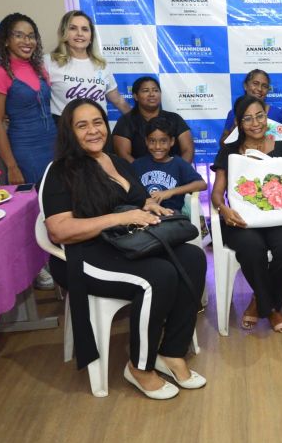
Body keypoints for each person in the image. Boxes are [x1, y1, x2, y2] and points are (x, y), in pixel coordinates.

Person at [42, 98, 207, 399]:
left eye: (97, 122)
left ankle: (171, 352)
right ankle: (139, 367)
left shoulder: (115, 161)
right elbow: (58, 230)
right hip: (84, 255)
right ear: (69, 132)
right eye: (82, 125)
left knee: (193, 257)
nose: (93, 130)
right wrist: (121, 218)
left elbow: (137, 199)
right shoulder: (61, 171)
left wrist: (151, 207)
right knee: (158, 276)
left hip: (125, 242)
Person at [210, 95, 282, 334]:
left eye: (260, 116)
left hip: (279, 218)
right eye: (248, 119)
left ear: (267, 117)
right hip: (242, 221)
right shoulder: (229, 151)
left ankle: (259, 301)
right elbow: (216, 194)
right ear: (238, 123)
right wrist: (223, 208)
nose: (256, 123)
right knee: (252, 249)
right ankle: (273, 310)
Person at [0, 13, 56, 186]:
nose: (27, 41)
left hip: (53, 144)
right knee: (34, 197)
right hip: (25, 149)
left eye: (31, 36)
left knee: (57, 194)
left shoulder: (39, 69)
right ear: (6, 40)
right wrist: (12, 166)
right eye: (19, 35)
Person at [45, 10, 131, 122]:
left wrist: (138, 123)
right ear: (64, 33)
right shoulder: (49, 61)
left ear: (91, 37)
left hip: (98, 128)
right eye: (73, 28)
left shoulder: (101, 65)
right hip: (65, 128)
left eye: (85, 29)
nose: (79, 33)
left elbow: (118, 100)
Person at [132, 117, 207, 213]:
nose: (157, 146)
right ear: (146, 141)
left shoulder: (178, 163)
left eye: (163, 141)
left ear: (172, 141)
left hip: (171, 215)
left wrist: (170, 192)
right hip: (144, 214)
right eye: (152, 141)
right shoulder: (138, 164)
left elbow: (202, 184)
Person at [113, 76, 194, 163]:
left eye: (155, 90)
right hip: (136, 171)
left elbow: (188, 150)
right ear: (135, 96)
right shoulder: (126, 121)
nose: (152, 94)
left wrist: (179, 169)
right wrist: (141, 171)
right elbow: (124, 154)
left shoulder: (175, 118)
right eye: (146, 91)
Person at [220, 69, 282, 143]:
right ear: (245, 86)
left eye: (264, 86)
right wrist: (235, 127)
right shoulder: (234, 113)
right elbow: (223, 143)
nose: (259, 89)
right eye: (255, 83)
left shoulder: (277, 113)